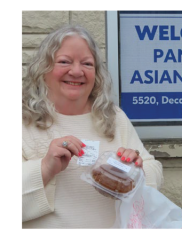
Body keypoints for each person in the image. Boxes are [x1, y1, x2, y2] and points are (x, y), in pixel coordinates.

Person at [22, 25, 164, 228]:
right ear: (43, 70)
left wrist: (135, 171)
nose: (76, 71)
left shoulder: (112, 117)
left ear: (96, 74)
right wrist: (45, 168)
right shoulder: (21, 121)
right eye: (64, 61)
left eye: (87, 64)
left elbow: (154, 172)